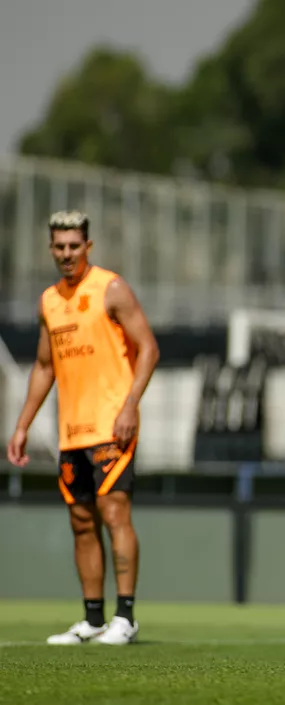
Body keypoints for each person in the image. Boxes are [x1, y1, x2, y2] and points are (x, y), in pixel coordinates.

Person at [6, 211, 160, 645]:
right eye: (59, 246)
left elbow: (148, 347)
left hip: (114, 425)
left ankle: (125, 618)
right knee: (80, 520)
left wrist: (131, 405)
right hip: (71, 432)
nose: (67, 253)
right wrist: (21, 427)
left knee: (114, 512)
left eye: (74, 245)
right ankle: (93, 620)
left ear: (88, 247)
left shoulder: (111, 288)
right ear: (50, 249)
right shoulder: (49, 302)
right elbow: (42, 366)